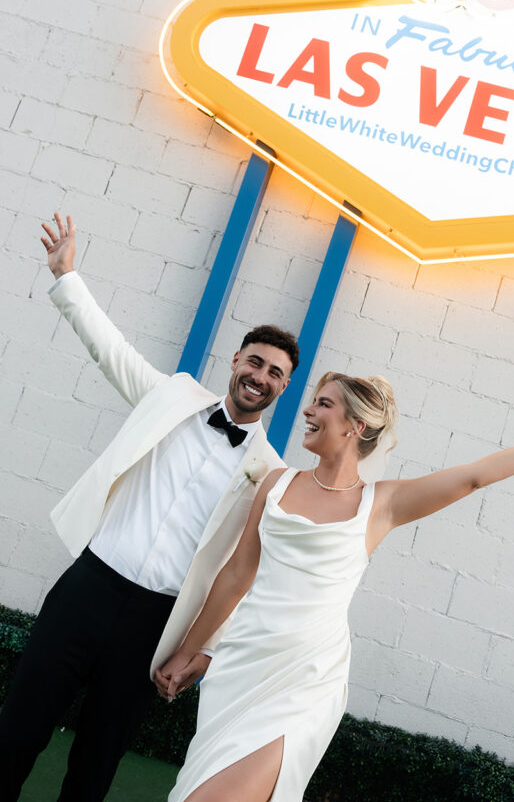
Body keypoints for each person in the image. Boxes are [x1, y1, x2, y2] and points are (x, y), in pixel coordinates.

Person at [157, 371, 514, 802]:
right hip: (240, 668)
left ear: (356, 425)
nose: (307, 410)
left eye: (323, 404)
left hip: (305, 681)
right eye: (313, 401)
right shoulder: (276, 483)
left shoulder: (382, 504)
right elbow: (236, 575)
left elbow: (474, 476)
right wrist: (189, 650)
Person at [0, 212, 299, 802]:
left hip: (155, 625)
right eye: (255, 362)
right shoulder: (174, 397)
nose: (260, 376)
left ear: (284, 388)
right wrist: (67, 278)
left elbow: (247, 575)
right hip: (89, 586)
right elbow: (111, 350)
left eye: (275, 373)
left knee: (97, 760)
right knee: (17, 728)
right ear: (236, 360)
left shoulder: (272, 475)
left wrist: (203, 650)